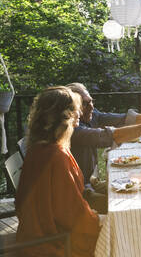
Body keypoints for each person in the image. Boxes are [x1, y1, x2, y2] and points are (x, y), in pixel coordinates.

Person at [66, 83, 141, 213]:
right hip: (81, 192)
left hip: (92, 182)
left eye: (92, 101)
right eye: (85, 104)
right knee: (132, 206)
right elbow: (112, 136)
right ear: (72, 109)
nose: (92, 106)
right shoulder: (74, 130)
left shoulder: (91, 114)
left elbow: (124, 119)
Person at [15, 86, 100, 257]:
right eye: (75, 109)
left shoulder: (40, 148)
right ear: (63, 117)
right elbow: (71, 213)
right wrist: (97, 219)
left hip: (34, 233)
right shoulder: (57, 155)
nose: (79, 114)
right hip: (53, 243)